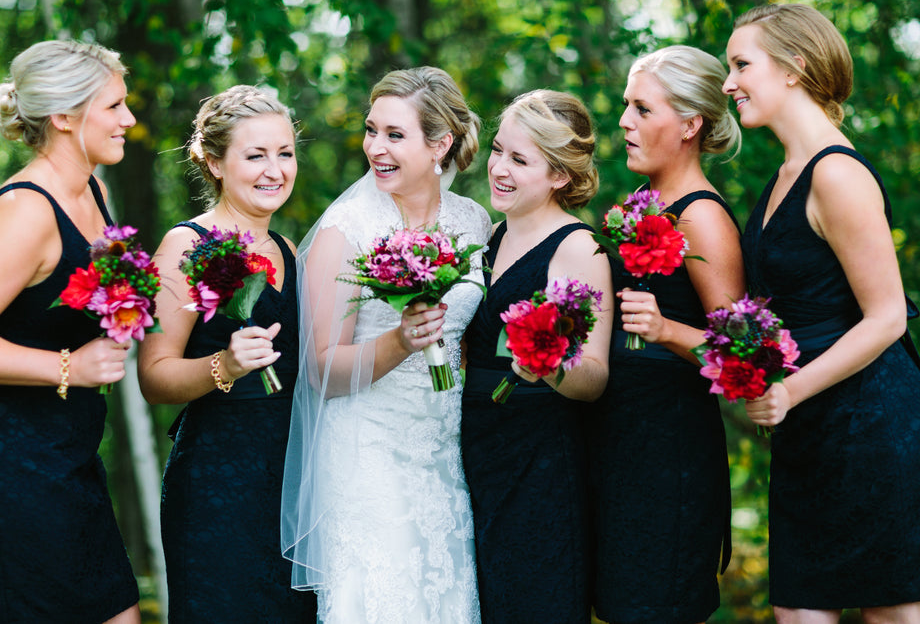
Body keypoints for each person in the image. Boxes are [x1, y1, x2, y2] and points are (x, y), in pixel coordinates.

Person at [0, 40, 140, 623]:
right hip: (8, 470)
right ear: (65, 118)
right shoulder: (25, 211)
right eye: (114, 106)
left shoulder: (95, 190)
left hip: (71, 455)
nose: (129, 120)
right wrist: (70, 367)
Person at [725, 3, 920, 623]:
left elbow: (888, 316)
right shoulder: (784, 174)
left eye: (741, 64)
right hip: (809, 435)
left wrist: (790, 390)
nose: (729, 83)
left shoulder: (836, 173)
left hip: (872, 430)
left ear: (793, 69)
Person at [280, 66, 491, 623]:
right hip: (366, 453)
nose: (375, 147)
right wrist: (400, 341)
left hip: (445, 453)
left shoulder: (473, 222)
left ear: (440, 144)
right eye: (372, 130)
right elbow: (320, 371)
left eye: (395, 135)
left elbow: (469, 338)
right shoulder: (344, 231)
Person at [136, 86, 315, 622]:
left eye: (284, 154)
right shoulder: (186, 244)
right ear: (214, 162)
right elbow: (154, 375)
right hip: (218, 480)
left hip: (290, 480)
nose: (275, 170)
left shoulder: (288, 250)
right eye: (255, 155)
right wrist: (225, 366)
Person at [588, 45, 744, 624]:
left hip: (670, 456)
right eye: (627, 106)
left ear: (688, 124)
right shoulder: (641, 204)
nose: (624, 122)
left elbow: (742, 359)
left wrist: (667, 329)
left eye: (641, 109)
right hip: (622, 447)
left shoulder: (702, 217)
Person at [459, 89, 612, 623]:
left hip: (538, 460)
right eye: (498, 150)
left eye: (519, 160)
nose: (498, 167)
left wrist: (550, 367)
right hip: (473, 449)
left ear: (560, 176)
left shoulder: (577, 248)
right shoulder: (490, 237)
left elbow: (592, 377)